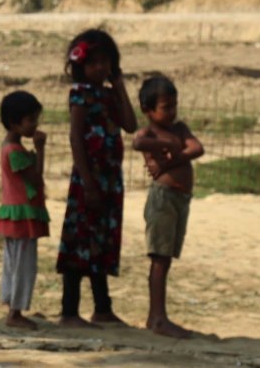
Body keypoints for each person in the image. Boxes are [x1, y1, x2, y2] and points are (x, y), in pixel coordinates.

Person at [56, 28, 137, 328]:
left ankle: (103, 307)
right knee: (79, 242)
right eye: (95, 63)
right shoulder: (80, 95)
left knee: (101, 240)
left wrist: (120, 87)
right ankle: (69, 311)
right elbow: (76, 138)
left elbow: (130, 124)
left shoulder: (109, 94)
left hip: (110, 180)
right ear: (81, 65)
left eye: (106, 62)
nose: (100, 68)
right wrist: (88, 182)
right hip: (87, 180)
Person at [133, 75, 203, 338]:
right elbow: (138, 142)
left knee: (166, 257)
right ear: (148, 110)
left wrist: (169, 161)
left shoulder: (180, 128)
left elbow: (197, 148)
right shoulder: (152, 133)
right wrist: (168, 144)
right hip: (163, 198)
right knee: (159, 258)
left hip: (180, 199)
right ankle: (159, 317)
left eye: (175, 105)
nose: (172, 112)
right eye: (166, 107)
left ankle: (155, 316)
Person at [0, 90, 50, 330]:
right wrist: (41, 149)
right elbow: (36, 179)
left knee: (13, 263)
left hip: (14, 214)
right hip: (23, 216)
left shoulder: (9, 146)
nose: (35, 125)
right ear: (15, 123)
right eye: (31, 120)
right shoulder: (15, 151)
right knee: (23, 266)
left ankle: (12, 305)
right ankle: (15, 312)